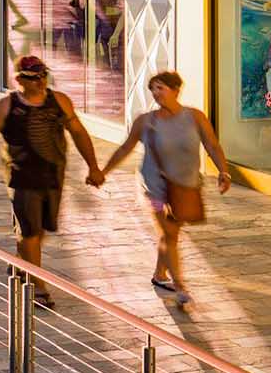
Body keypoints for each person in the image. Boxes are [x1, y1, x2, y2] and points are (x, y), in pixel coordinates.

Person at [0, 53, 105, 308]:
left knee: (40, 232)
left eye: (43, 76)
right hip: (22, 178)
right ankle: (38, 287)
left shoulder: (59, 102)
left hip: (53, 176)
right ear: (19, 80)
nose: (40, 81)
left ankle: (20, 262)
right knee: (30, 233)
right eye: (33, 77)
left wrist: (93, 166)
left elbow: (79, 133)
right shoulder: (5, 105)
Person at [97, 70, 230, 310]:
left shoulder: (195, 117)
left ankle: (160, 274)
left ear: (176, 89)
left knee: (170, 235)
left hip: (184, 186)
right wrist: (103, 172)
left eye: (161, 88)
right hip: (154, 187)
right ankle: (180, 287)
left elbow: (212, 144)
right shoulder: (146, 121)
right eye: (153, 89)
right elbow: (125, 149)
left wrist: (223, 171)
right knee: (169, 233)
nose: (156, 93)